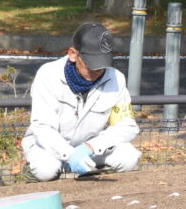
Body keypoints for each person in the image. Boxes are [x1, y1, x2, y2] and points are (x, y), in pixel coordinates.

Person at [21, 23, 141, 182]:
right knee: (45, 170)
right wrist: (69, 154)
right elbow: (43, 128)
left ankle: (97, 189)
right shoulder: (48, 75)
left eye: (103, 63)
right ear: (73, 54)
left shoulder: (116, 78)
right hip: (50, 147)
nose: (98, 70)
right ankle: (32, 179)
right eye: (91, 64)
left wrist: (91, 147)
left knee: (128, 157)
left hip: (91, 147)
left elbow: (127, 126)